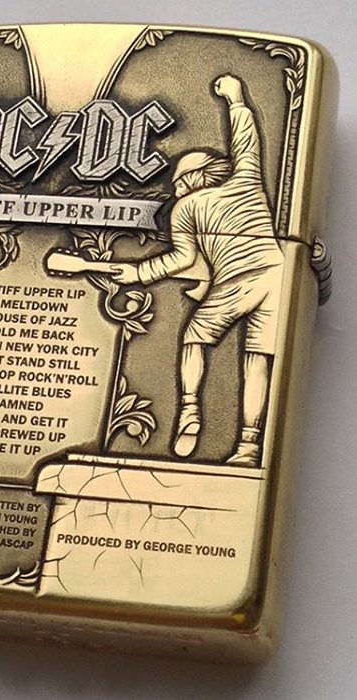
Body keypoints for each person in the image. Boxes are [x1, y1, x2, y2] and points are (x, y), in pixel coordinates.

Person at [112, 74, 284, 467]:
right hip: (276, 275)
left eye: (178, 182)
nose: (175, 190)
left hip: (234, 282)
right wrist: (236, 99)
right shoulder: (247, 183)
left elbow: (180, 259)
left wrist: (136, 273)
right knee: (257, 359)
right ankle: (249, 446)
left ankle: (190, 407)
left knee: (194, 338)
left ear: (191, 178)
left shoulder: (186, 209)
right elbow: (247, 141)